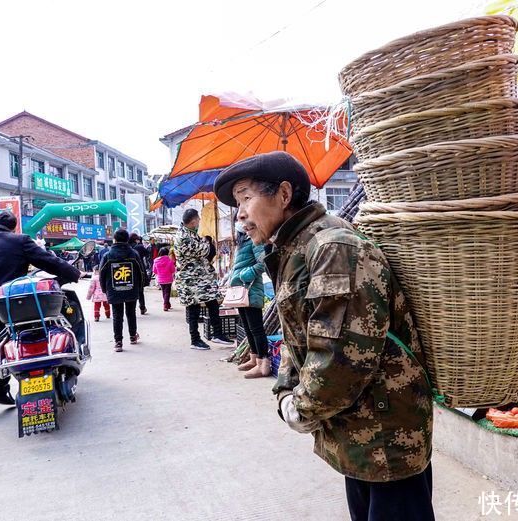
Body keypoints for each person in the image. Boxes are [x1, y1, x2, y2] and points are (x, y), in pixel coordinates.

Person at [214, 151, 434, 521]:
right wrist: (285, 388)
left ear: (284, 195)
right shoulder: (296, 249)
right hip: (357, 431)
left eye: (246, 197)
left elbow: (342, 356)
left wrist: (300, 407)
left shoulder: (333, 248)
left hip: (386, 435)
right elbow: (296, 335)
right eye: (238, 203)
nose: (239, 214)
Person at [0, 210, 81, 420]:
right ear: (14, 227)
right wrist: (73, 273)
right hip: (4, 306)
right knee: (7, 348)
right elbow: (47, 261)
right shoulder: (19, 241)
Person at [174, 209, 232, 350]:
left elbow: (206, 249)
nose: (199, 222)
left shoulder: (191, 234)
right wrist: (207, 243)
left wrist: (207, 242)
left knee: (212, 303)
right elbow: (205, 250)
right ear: (193, 221)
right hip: (191, 280)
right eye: (198, 220)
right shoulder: (183, 237)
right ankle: (195, 340)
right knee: (194, 308)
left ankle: (217, 333)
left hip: (201, 279)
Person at [229, 223, 270, 378]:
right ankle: (254, 359)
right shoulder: (242, 242)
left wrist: (247, 274)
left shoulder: (254, 239)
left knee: (256, 328)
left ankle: (263, 363)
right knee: (247, 327)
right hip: (240, 291)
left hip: (251, 289)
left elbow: (263, 262)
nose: (238, 222)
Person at [99, 228, 144, 352]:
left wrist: (104, 289)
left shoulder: (107, 255)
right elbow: (141, 272)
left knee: (117, 315)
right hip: (131, 289)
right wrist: (139, 288)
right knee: (131, 313)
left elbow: (101, 274)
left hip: (114, 290)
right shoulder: (134, 254)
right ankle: (133, 336)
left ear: (114, 239)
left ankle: (118, 342)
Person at [129, 233, 149, 315]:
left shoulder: (127, 247)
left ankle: (131, 309)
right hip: (139, 269)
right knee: (140, 290)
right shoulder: (139, 247)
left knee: (130, 289)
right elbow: (147, 253)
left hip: (128, 270)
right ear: (136, 239)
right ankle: (142, 307)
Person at [152, 246, 176, 311]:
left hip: (160, 279)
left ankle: (167, 303)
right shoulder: (169, 260)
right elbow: (173, 270)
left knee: (164, 291)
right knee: (167, 292)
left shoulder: (156, 261)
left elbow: (154, 270)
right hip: (168, 279)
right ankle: (165, 304)